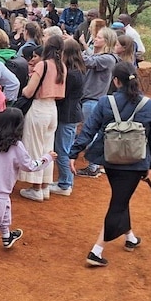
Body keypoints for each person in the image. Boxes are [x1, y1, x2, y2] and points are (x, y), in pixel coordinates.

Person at [69, 62, 151, 267]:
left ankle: (130, 237)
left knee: (121, 198)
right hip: (136, 163)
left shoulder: (105, 102)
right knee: (119, 201)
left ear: (116, 81)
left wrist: (74, 153)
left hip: (111, 161)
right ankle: (97, 250)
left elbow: (89, 130)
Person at [0, 109, 56, 265]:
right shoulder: (16, 146)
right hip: (1, 187)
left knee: (4, 206)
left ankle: (7, 236)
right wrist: (47, 158)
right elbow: (30, 166)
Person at [18, 36, 67, 201]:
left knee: (35, 148)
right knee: (47, 148)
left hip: (39, 108)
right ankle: (45, 186)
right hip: (52, 108)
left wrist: (25, 89)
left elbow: (28, 92)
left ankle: (36, 187)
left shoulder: (42, 65)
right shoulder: (62, 67)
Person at [76, 27, 119, 178]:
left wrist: (73, 48)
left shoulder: (108, 58)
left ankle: (94, 166)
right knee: (87, 131)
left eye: (99, 37)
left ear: (107, 41)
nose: (95, 39)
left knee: (90, 133)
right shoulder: (102, 56)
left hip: (92, 100)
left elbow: (88, 61)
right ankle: (94, 164)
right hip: (89, 99)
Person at [51, 39, 85, 196]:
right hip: (72, 114)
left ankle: (65, 184)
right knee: (66, 148)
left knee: (63, 150)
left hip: (67, 115)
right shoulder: (78, 70)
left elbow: (62, 96)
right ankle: (66, 181)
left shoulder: (71, 74)